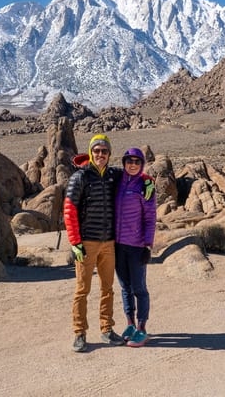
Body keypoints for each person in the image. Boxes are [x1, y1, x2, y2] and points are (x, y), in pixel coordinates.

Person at [64, 134, 125, 353]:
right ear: (91, 152)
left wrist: (148, 181)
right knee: (82, 290)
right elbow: (69, 210)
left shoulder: (113, 175)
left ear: (109, 154)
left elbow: (135, 175)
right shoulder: (80, 177)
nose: (100, 154)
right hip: (87, 242)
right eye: (97, 150)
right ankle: (79, 333)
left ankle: (107, 329)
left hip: (108, 242)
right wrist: (75, 242)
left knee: (108, 288)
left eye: (104, 151)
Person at [114, 148, 156, 348]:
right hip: (118, 245)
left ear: (142, 164)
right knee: (125, 287)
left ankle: (142, 328)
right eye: (129, 161)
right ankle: (130, 324)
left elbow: (150, 217)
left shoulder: (145, 186)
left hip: (137, 245)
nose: (132, 164)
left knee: (139, 288)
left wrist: (148, 245)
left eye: (137, 162)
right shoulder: (117, 182)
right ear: (124, 163)